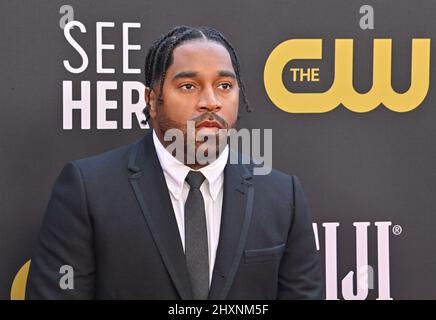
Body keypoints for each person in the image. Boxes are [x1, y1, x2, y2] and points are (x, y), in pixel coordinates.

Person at [26, 26, 323, 299]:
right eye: (189, 87)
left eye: (224, 86)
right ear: (152, 100)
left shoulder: (283, 195)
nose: (211, 101)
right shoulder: (88, 190)